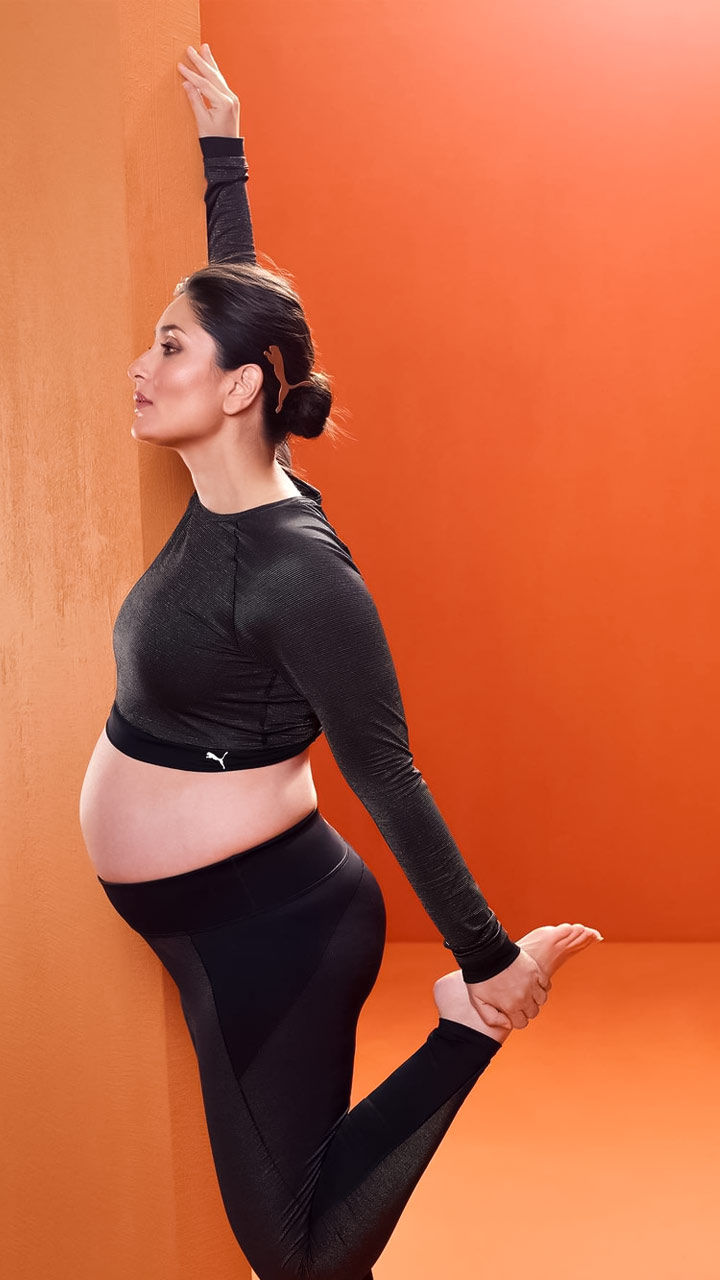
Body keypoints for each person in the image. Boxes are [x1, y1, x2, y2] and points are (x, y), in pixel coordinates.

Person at [79, 42, 603, 1280]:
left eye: (168, 348)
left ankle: (470, 1027)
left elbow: (386, 769)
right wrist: (224, 152)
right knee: (301, 1245)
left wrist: (489, 959)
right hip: (209, 917)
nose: (143, 367)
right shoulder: (226, 488)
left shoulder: (299, 572)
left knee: (303, 1261)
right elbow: (248, 310)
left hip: (276, 925)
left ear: (239, 390)